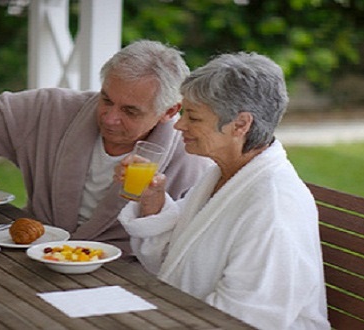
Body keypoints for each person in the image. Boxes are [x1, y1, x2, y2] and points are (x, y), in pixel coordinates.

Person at [0, 40, 212, 255]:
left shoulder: (192, 159)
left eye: (130, 111)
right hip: (30, 256)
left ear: (171, 111)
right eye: (106, 99)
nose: (110, 118)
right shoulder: (52, 109)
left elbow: (179, 252)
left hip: (121, 280)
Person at [115, 52, 330, 329]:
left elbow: (249, 317)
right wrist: (152, 200)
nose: (179, 125)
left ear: (240, 124)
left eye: (193, 117)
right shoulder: (223, 175)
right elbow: (176, 261)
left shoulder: (274, 206)